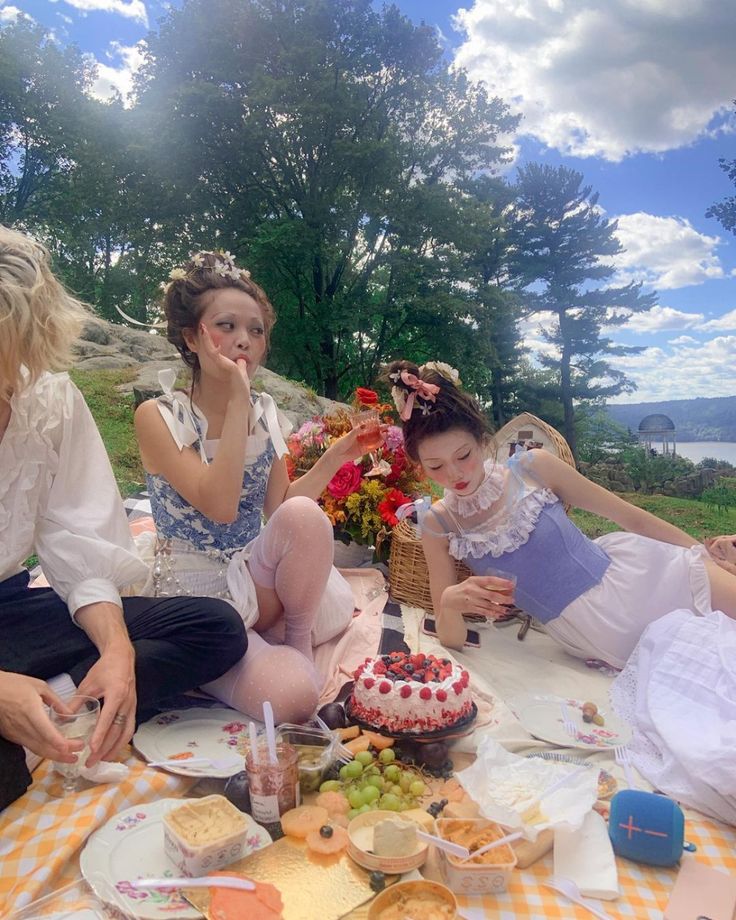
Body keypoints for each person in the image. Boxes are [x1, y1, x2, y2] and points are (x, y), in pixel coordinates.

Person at [0, 227, 248, 812]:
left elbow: (76, 540)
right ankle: (37, 724)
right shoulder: (161, 415)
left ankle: (59, 704)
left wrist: (116, 652)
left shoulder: (49, 400)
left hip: (13, 610)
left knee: (215, 628)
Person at [134, 251, 375, 724]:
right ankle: (269, 649)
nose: (243, 340)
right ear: (191, 336)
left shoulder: (264, 412)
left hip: (253, 574)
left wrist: (336, 456)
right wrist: (239, 400)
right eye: (225, 325)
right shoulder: (158, 416)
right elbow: (220, 506)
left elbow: (282, 507)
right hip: (198, 595)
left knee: (306, 519)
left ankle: (297, 642)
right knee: (291, 700)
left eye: (256, 330)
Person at [386, 359, 736, 669]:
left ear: (481, 439)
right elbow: (451, 639)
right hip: (596, 631)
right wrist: (448, 603)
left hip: (641, 574)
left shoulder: (532, 467)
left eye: (463, 455)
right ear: (420, 467)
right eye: (435, 466)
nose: (455, 475)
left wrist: (703, 553)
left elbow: (631, 517)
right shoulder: (439, 522)